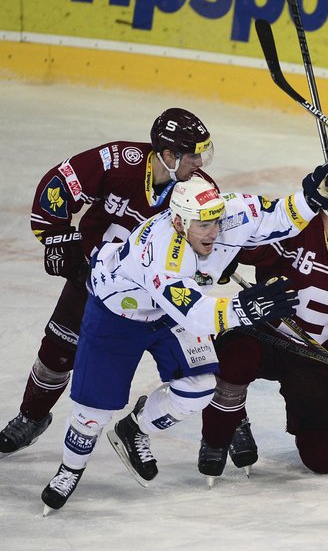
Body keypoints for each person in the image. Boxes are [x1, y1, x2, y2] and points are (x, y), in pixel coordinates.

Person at [40, 162, 328, 513]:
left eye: (217, 221)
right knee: (91, 414)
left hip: (169, 315)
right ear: (178, 222)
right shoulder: (161, 255)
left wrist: (311, 197)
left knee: (200, 387)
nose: (214, 232)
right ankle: (70, 469)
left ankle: (134, 428)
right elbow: (197, 316)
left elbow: (276, 217)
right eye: (204, 225)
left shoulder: (225, 213)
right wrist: (244, 309)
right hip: (118, 315)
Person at [1, 109, 216, 457]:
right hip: (96, 280)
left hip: (156, 295)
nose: (200, 161)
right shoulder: (119, 162)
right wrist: (58, 240)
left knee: (200, 363)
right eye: (192, 153)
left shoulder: (198, 191)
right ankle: (31, 417)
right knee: (58, 350)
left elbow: (209, 242)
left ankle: (227, 426)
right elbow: (58, 185)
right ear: (167, 154)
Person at [198, 164, 328, 481]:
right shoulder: (293, 229)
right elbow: (245, 239)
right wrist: (227, 251)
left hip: (310, 353)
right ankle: (223, 428)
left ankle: (267, 418)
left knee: (325, 457)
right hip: (263, 334)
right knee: (231, 359)